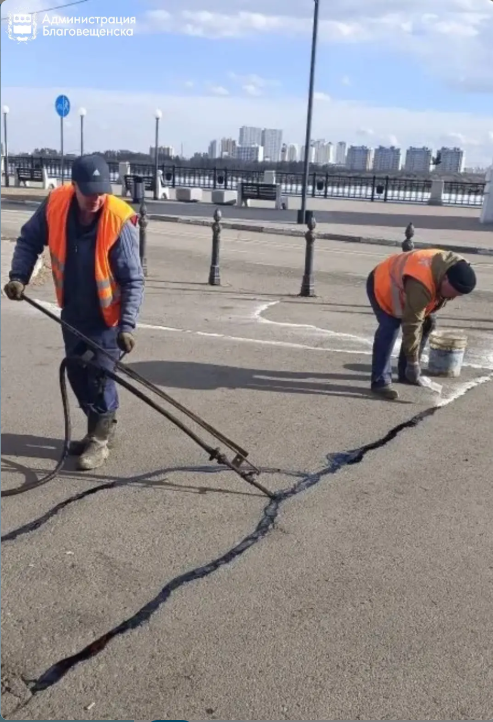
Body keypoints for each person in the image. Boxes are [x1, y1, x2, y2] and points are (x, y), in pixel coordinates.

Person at [4, 154, 145, 469]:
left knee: (100, 377)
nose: (96, 199)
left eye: (101, 192)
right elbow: (28, 240)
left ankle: (100, 439)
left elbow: (133, 279)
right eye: (89, 192)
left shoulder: (118, 219)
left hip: (108, 318)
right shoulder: (56, 204)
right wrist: (18, 277)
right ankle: (99, 428)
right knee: (77, 373)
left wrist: (127, 326)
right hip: (73, 310)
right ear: (75, 186)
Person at [366, 248, 477, 400]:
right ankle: (380, 381)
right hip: (383, 283)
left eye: (458, 295)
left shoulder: (456, 266)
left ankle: (406, 373)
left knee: (428, 322)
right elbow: (411, 324)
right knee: (390, 327)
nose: (454, 297)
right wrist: (413, 362)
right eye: (453, 292)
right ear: (445, 278)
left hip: (407, 289)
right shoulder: (421, 284)